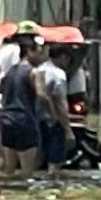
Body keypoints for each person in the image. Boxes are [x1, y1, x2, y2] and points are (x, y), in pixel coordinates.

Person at [0, 33, 46, 174]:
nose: (41, 57)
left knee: (8, 170)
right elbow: (41, 95)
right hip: (25, 122)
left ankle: (7, 194)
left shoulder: (9, 71)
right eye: (39, 52)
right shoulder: (34, 72)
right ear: (29, 52)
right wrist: (51, 109)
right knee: (27, 172)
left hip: (7, 121)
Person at [36, 41, 72, 171]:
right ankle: (53, 186)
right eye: (68, 58)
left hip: (37, 120)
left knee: (36, 160)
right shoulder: (58, 74)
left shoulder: (39, 69)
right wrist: (68, 130)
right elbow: (60, 103)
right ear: (62, 56)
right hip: (53, 123)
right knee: (54, 162)